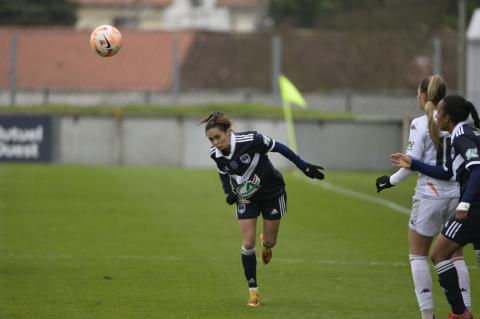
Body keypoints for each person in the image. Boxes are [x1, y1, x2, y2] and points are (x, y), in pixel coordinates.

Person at [201, 112, 325, 307]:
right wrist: (228, 192)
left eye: (218, 137)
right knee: (248, 243)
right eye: (211, 139)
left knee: (269, 241)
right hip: (247, 196)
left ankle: (266, 245)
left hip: (272, 193)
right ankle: (253, 291)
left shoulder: (252, 139)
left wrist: (303, 166)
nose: (215, 142)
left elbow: (279, 147)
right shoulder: (214, 153)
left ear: (229, 131)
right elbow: (223, 171)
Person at [375, 75, 471, 319]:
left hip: (430, 195)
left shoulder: (421, 123)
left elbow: (410, 163)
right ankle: (464, 311)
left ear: (423, 96)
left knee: (418, 255)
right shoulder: (456, 123)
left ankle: (428, 315)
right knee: (456, 255)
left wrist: (389, 181)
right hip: (458, 195)